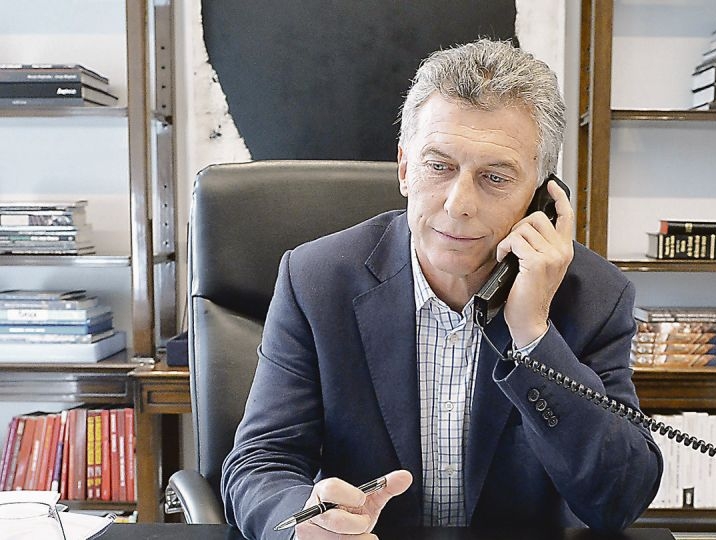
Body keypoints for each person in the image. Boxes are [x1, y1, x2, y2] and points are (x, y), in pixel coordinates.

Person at [221, 39, 663, 540]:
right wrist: (302, 524)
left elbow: (618, 500)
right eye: (439, 166)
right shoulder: (317, 280)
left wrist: (534, 337)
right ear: (404, 169)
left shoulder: (594, 296)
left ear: (540, 196)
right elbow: (260, 463)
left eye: (495, 177)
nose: (458, 204)